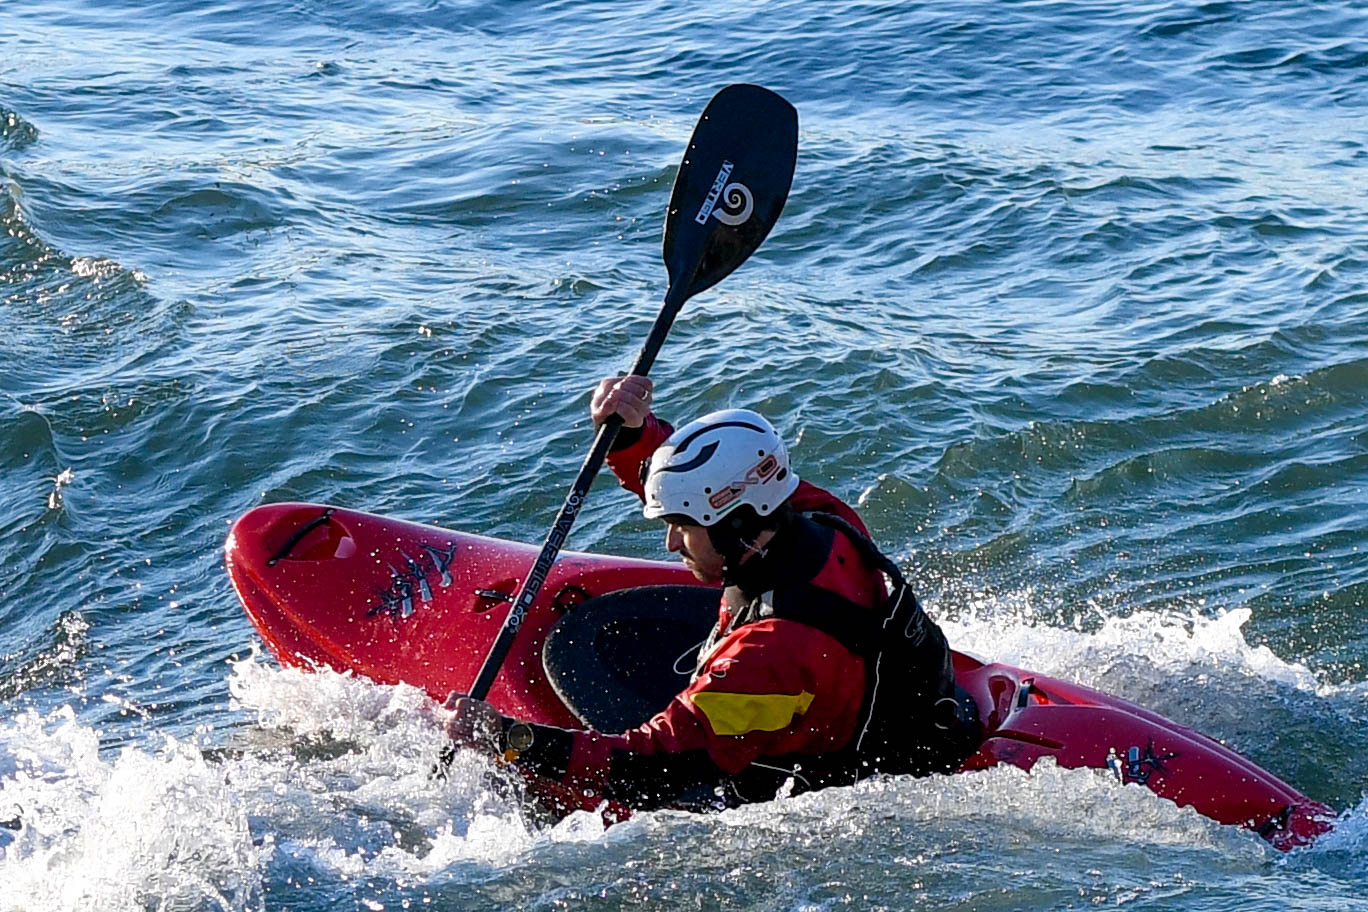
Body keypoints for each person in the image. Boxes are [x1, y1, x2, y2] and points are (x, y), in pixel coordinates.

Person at [443, 375, 974, 813]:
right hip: (906, 709)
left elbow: (649, 769)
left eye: (683, 526)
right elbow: (712, 483)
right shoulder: (820, 517)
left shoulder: (769, 652)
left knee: (528, 798)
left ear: (740, 528)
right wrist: (633, 437)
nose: (671, 541)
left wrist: (507, 738)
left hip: (846, 778)